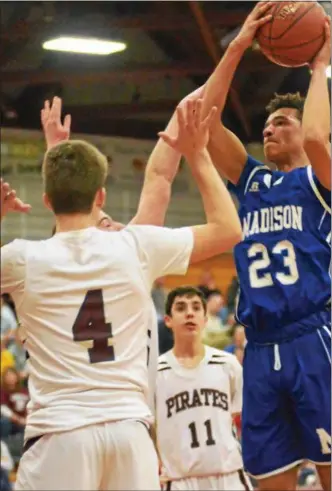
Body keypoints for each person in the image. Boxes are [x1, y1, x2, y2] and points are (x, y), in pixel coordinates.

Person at [0, 97, 242, 490]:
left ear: (46, 201)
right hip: (128, 434)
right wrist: (198, 155)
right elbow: (229, 229)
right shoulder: (135, 246)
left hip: (60, 434)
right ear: (101, 198)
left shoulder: (23, 259)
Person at [190, 4, 331, 490]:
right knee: (269, 480)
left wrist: (318, 67)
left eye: (282, 123)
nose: (270, 129)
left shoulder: (320, 182)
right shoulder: (251, 182)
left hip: (313, 338)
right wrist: (237, 46)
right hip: (259, 347)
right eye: (267, 126)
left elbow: (316, 135)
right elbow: (205, 124)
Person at [156, 286, 250, 491]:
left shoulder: (228, 364)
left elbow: (242, 418)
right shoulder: (154, 371)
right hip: (179, 479)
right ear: (168, 320)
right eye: (181, 308)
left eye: (196, 308)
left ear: (205, 319)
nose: (190, 313)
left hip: (229, 476)